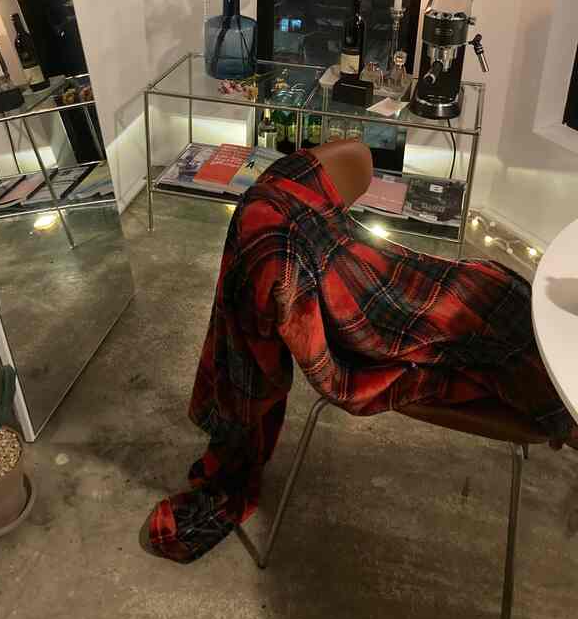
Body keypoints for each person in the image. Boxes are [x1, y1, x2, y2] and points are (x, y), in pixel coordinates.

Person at [145, 141, 577, 563]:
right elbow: (328, 373)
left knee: (503, 309)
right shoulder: (287, 271)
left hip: (484, 299)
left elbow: (358, 156)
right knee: (513, 328)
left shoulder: (286, 243)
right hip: (477, 318)